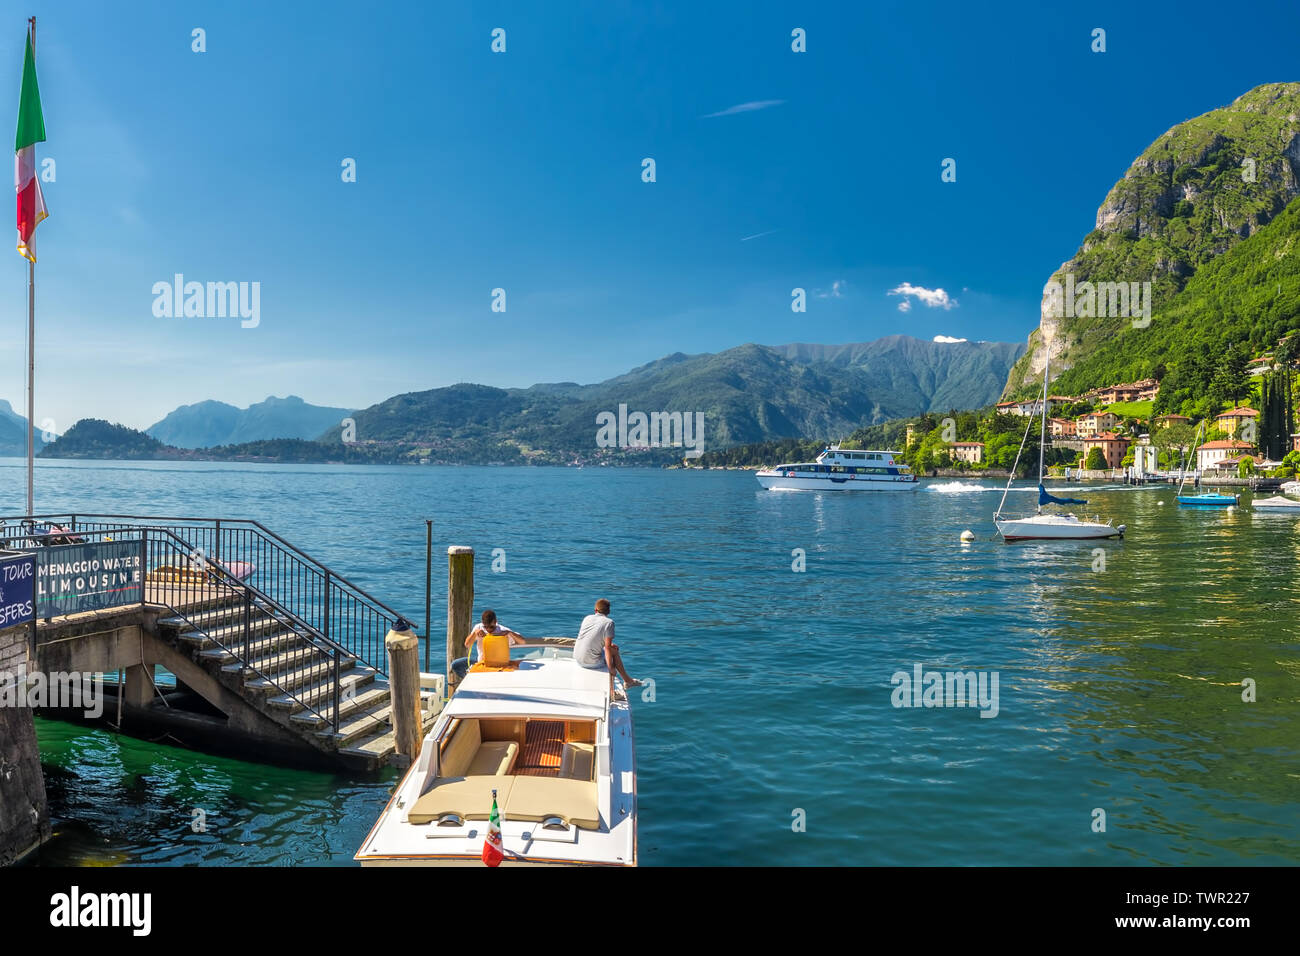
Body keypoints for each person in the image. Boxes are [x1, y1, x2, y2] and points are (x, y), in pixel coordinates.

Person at [573, 598, 641, 698]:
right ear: (608, 611)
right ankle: (625, 683)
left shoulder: (587, 618)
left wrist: (608, 645)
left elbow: (590, 636)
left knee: (611, 648)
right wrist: (611, 669)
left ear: (595, 610)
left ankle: (627, 681)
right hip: (590, 662)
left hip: (577, 658)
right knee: (614, 652)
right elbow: (608, 648)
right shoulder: (609, 623)